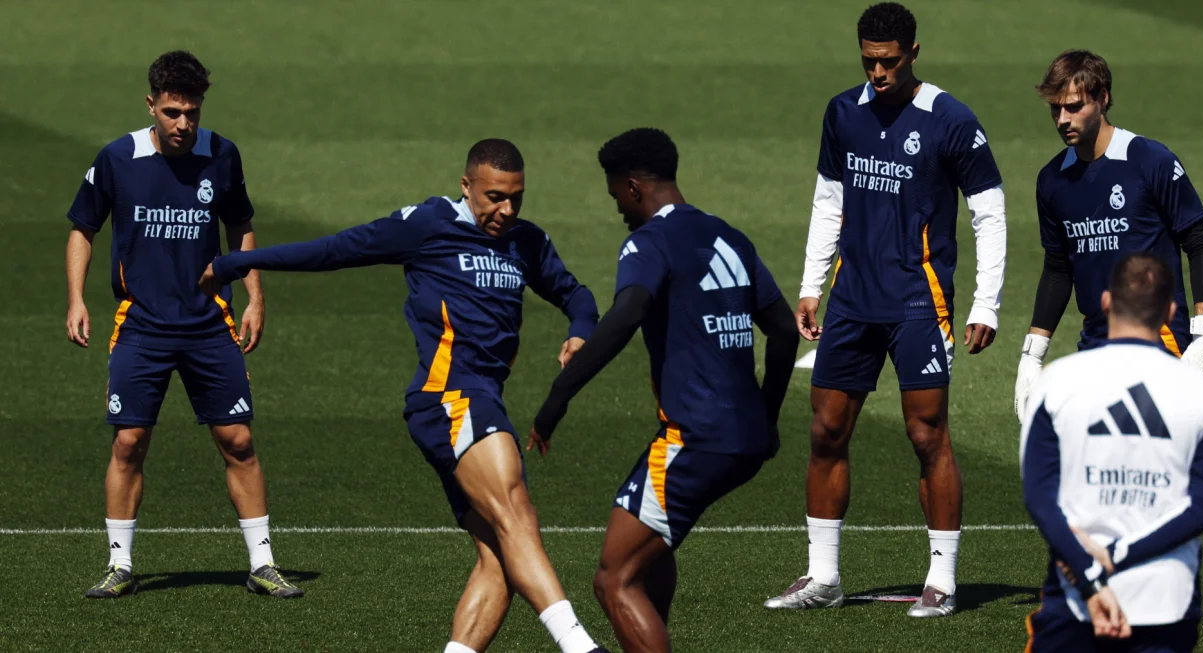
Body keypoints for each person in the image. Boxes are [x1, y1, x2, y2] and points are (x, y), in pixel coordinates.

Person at [198, 139, 609, 653]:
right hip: (449, 397)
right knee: (516, 513)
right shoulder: (427, 225)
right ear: (466, 186)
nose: (506, 210)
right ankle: (579, 646)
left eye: (516, 198)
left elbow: (575, 293)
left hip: (481, 400)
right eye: (494, 197)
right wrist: (237, 262)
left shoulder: (526, 241)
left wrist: (581, 329)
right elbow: (334, 250)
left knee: (502, 557)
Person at [765, 2, 1007, 617]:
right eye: (869, 60)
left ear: (913, 53)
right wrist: (811, 286)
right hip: (852, 299)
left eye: (890, 61)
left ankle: (942, 582)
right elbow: (829, 200)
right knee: (826, 430)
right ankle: (823, 577)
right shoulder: (842, 112)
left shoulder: (951, 119)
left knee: (927, 435)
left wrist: (986, 302)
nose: (878, 72)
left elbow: (989, 211)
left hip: (919, 302)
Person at [525, 128, 798, 652]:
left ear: (633, 187)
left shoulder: (649, 241)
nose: (619, 210)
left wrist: (558, 397)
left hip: (694, 438)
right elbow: (784, 331)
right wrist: (766, 415)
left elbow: (627, 312)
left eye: (616, 197)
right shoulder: (729, 237)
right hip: (743, 437)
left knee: (614, 579)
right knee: (650, 555)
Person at [66, 51, 300, 599]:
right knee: (129, 442)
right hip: (141, 324)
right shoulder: (118, 158)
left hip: (208, 324)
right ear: (151, 105)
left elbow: (240, 226)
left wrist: (255, 296)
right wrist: (76, 299)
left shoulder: (221, 154)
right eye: (172, 112)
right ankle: (120, 566)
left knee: (238, 439)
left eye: (192, 112)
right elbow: (82, 229)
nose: (183, 124)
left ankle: (263, 564)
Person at [1020, 253, 1203, 652]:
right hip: (1166, 605)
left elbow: (1039, 496)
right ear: (1170, 312)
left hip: (1075, 603)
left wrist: (1090, 574)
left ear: (1105, 302)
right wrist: (1120, 554)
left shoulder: (1057, 382)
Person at [1014, 49, 1203, 424]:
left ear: (1103, 98)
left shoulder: (1150, 161)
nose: (1062, 119)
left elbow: (1199, 244)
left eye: (1074, 107)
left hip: (1160, 341)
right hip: (1096, 345)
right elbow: (1058, 268)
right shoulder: (1052, 180)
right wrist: (1033, 354)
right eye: (1055, 109)